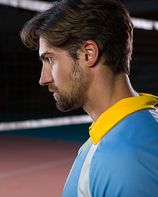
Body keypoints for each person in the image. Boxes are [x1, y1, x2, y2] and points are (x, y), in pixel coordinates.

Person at [20, 0, 158, 196]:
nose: (43, 78)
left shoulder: (123, 158)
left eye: (50, 59)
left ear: (88, 54)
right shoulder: (131, 130)